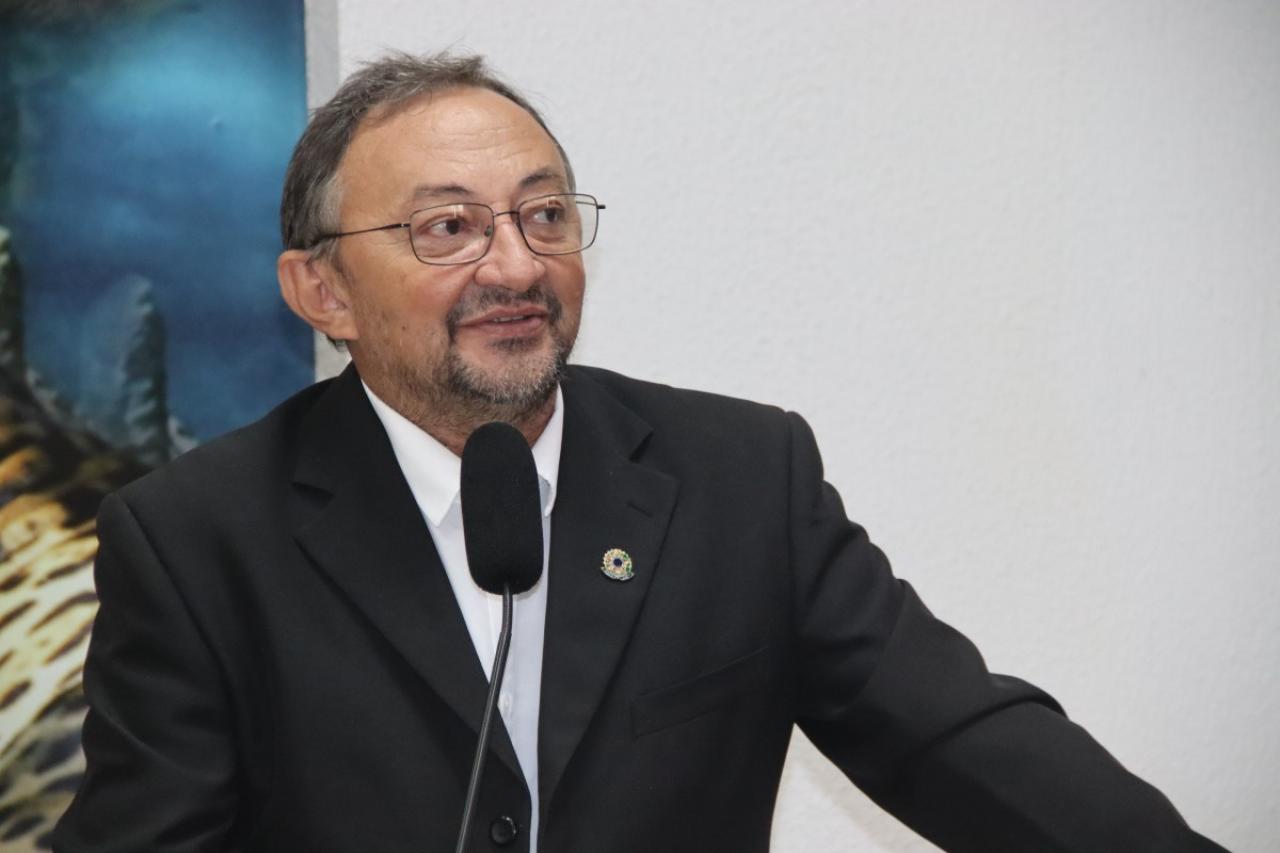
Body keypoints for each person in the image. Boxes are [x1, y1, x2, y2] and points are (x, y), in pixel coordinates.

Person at [54, 52, 1226, 853]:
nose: (516, 265)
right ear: (323, 291)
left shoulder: (739, 476)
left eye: (544, 214)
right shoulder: (199, 538)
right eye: (448, 227)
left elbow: (956, 741)